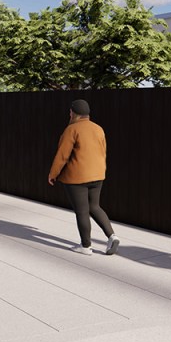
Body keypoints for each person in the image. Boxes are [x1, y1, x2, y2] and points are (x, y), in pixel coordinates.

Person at [48, 99, 120, 256]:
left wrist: (53, 174)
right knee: (95, 206)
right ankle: (112, 236)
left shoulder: (72, 129)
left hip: (77, 177)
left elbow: (62, 155)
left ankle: (86, 246)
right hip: (98, 175)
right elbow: (103, 152)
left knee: (82, 211)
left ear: (72, 113)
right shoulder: (98, 129)